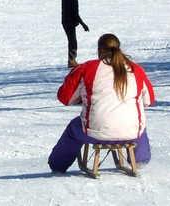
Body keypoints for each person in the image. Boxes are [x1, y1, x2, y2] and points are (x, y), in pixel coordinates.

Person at [48, 33, 155, 173]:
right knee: (137, 122)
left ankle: (58, 165)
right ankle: (140, 159)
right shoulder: (136, 70)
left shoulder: (87, 69)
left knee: (74, 128)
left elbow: (65, 97)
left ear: (99, 50)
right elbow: (149, 100)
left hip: (94, 131)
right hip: (131, 132)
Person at [62, 0, 90, 68]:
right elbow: (75, 13)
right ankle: (71, 61)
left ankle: (71, 60)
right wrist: (83, 24)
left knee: (72, 41)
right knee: (73, 42)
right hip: (69, 22)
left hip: (65, 22)